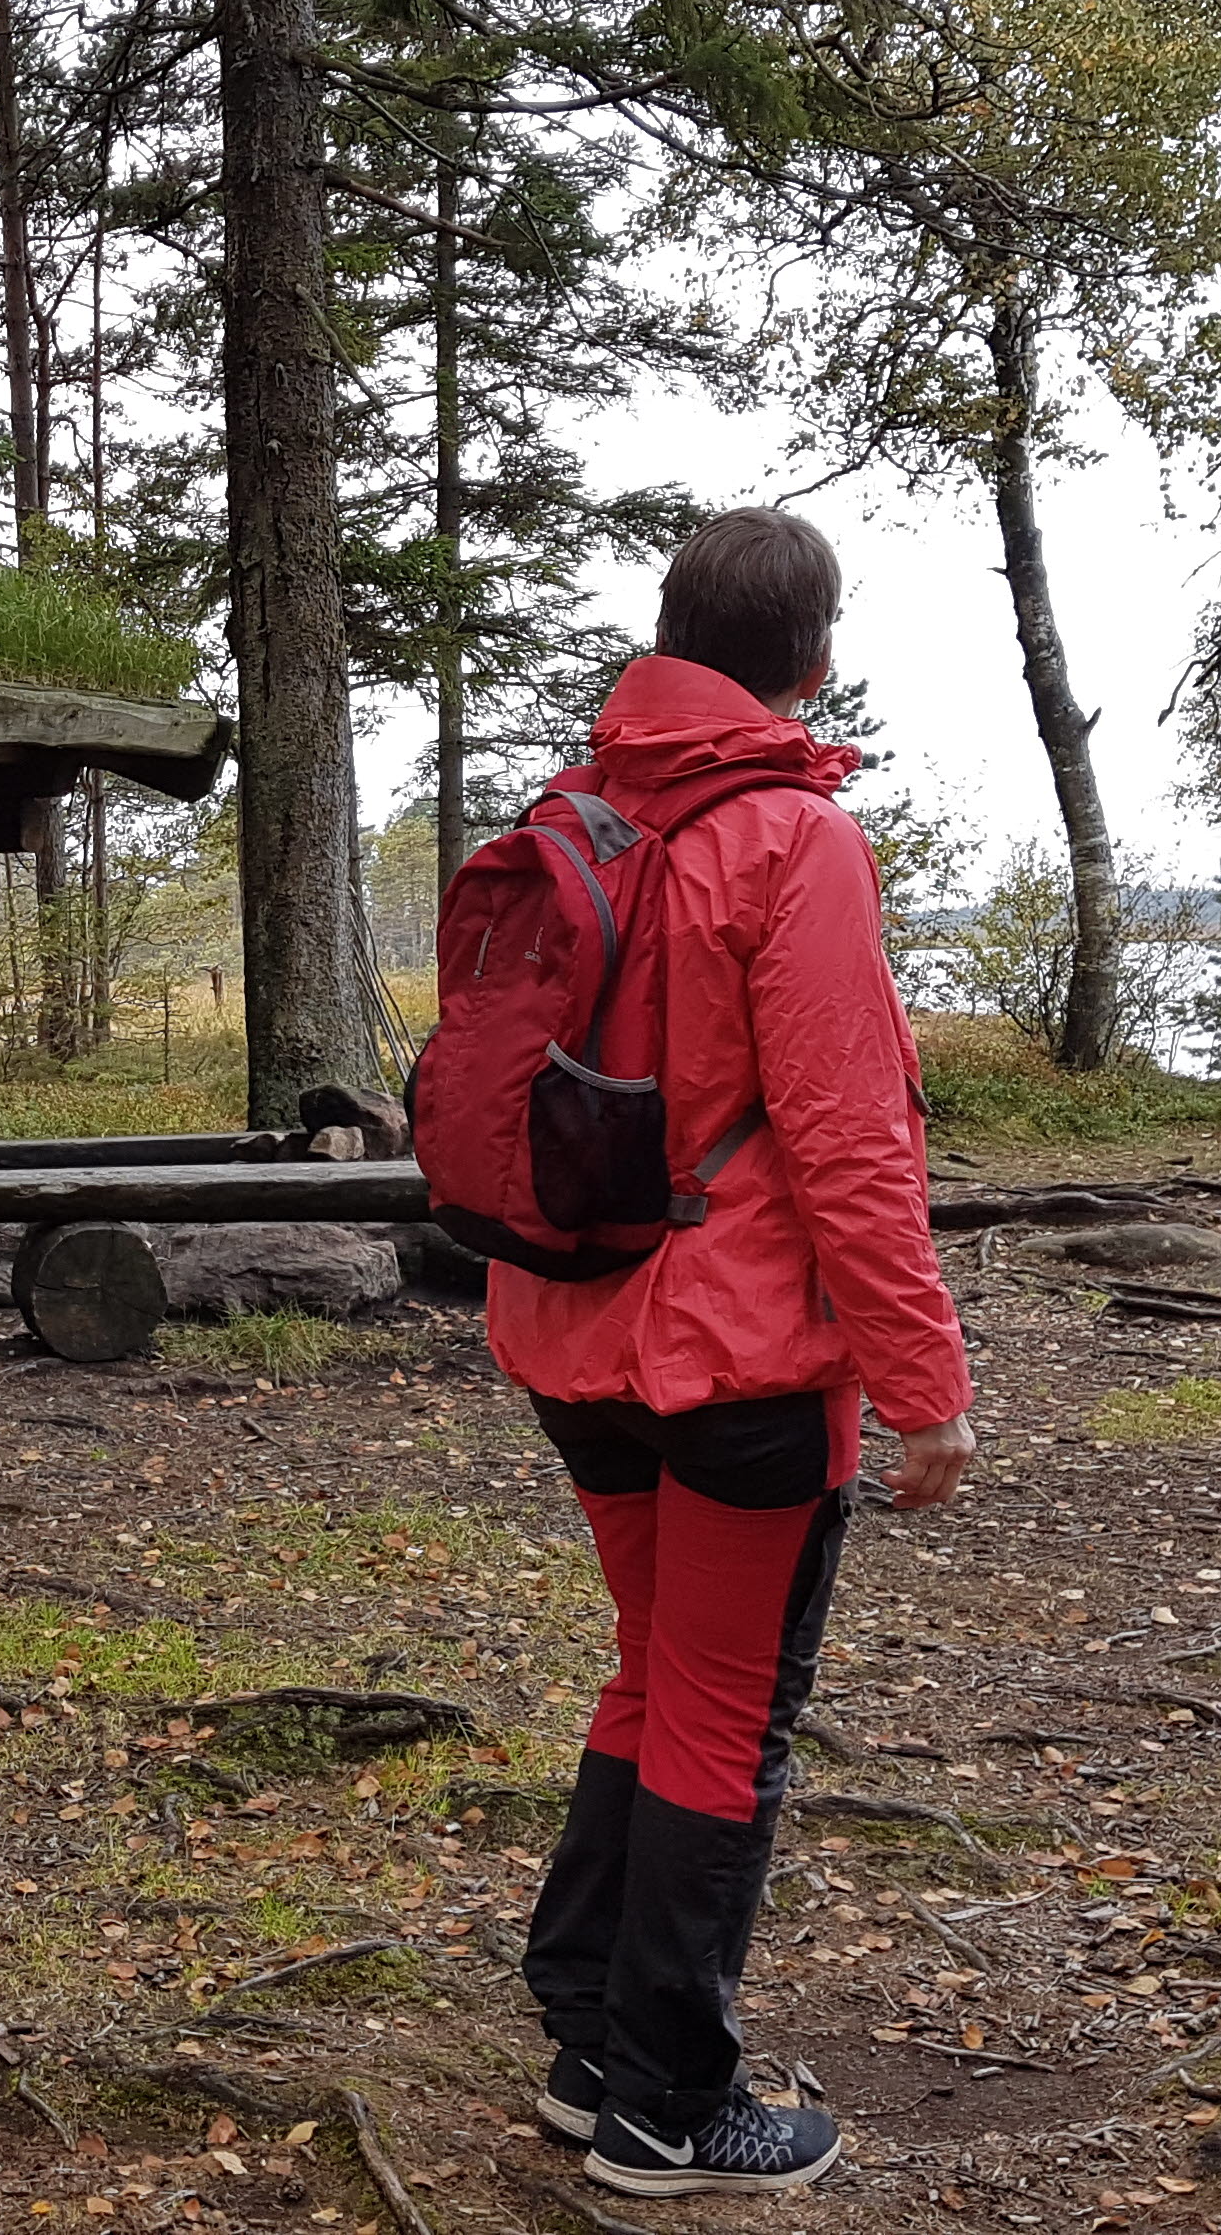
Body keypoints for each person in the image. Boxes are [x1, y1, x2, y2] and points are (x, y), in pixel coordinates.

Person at [491, 507, 977, 2198]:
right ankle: (669, 2108)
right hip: (743, 1362)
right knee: (719, 1710)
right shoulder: (789, 839)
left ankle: (584, 2051)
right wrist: (923, 1384)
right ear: (812, 656)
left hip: (574, 1334)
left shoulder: (583, 813)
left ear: (673, 638)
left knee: (651, 1675)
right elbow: (853, 1141)